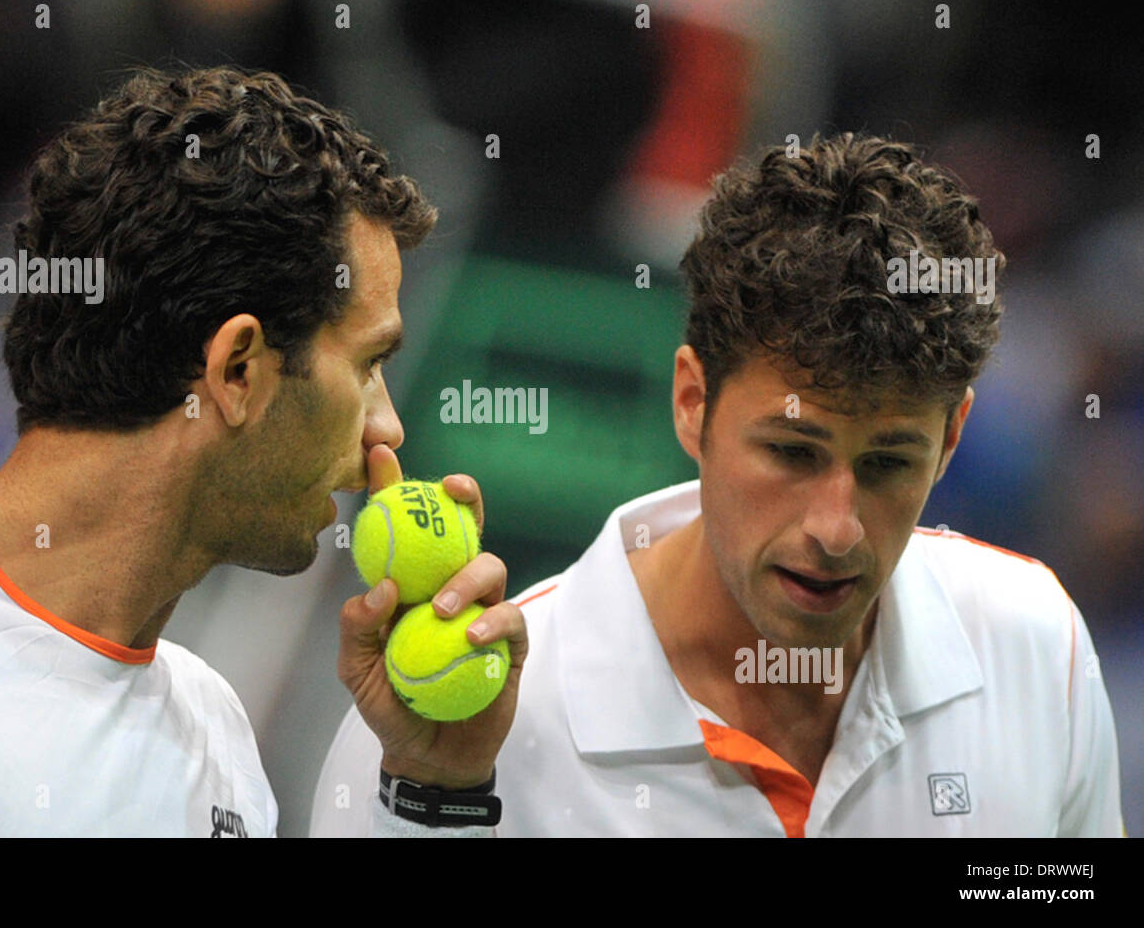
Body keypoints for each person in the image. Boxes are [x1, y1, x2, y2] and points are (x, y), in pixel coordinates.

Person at [312, 133, 1123, 837]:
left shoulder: (1036, 647)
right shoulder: (443, 737)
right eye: (793, 451)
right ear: (693, 402)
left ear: (951, 439)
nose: (837, 529)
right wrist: (433, 802)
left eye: (887, 464)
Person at [0, 66, 526, 837]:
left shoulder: (217, 734)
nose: (388, 429)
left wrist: (433, 791)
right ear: (238, 370)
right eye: (369, 365)